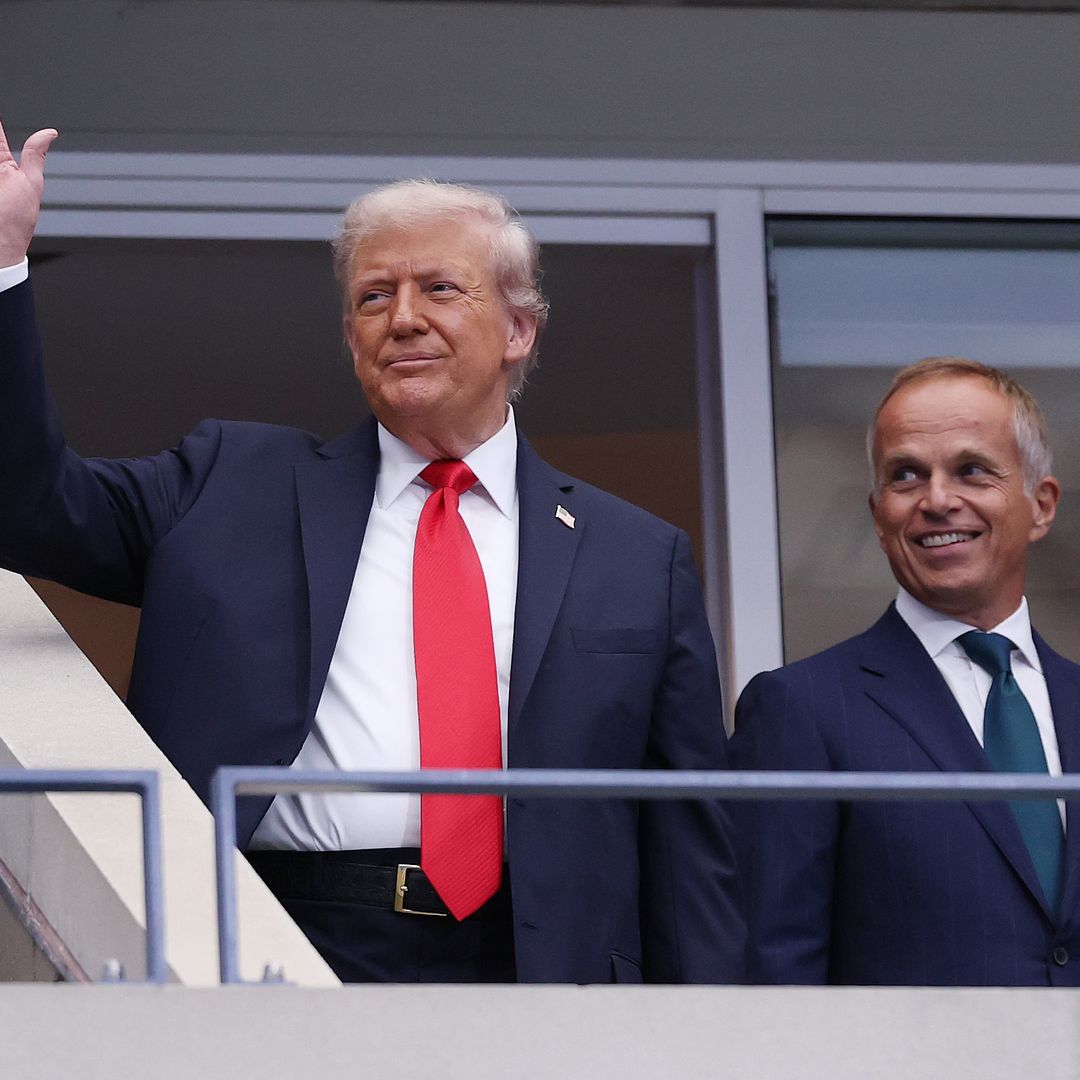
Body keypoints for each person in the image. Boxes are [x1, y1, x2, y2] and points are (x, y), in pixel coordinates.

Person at [0, 122, 744, 983]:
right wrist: (5, 261)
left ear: (518, 329)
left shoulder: (638, 557)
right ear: (352, 339)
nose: (404, 319)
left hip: (545, 966)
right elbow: (29, 508)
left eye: (440, 288)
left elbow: (692, 842)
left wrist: (715, 1030)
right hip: (281, 946)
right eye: (373, 297)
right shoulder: (229, 484)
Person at [730, 356, 1080, 986]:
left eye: (971, 470)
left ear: (1041, 505)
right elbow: (775, 974)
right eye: (906, 475)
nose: (938, 500)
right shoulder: (800, 711)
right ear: (877, 514)